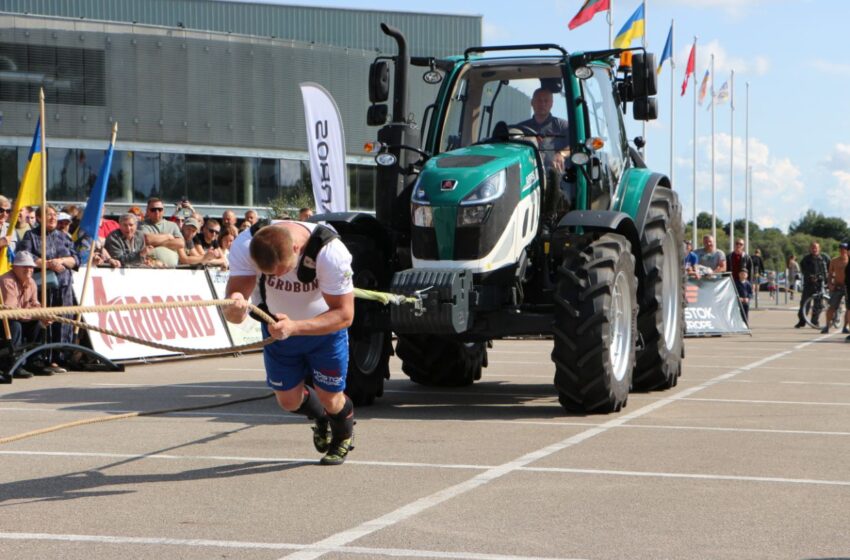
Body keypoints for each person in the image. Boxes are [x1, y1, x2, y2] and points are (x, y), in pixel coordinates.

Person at [224, 219, 356, 465]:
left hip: (323, 332)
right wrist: (235, 307)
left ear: (296, 249)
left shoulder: (330, 252)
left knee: (331, 398)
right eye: (269, 275)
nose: (276, 278)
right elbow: (234, 311)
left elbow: (345, 315)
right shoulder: (244, 244)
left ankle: (342, 436)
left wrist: (295, 327)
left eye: (281, 271)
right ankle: (320, 418)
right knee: (287, 401)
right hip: (278, 332)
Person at [17, 206, 80, 373]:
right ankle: (40, 359)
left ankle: (60, 358)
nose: (52, 218)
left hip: (64, 287)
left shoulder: (64, 236)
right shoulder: (31, 236)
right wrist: (47, 263)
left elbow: (76, 259)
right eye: (48, 215)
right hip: (42, 287)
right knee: (43, 321)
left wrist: (62, 260)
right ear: (38, 218)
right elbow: (25, 255)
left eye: (54, 215)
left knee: (63, 320)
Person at [0, 251, 53, 378]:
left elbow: (35, 305)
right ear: (15, 267)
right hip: (4, 321)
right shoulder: (7, 281)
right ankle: (14, 364)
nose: (29, 269)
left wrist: (43, 315)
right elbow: (11, 311)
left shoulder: (32, 283)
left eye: (31, 266)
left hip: (22, 317)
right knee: (15, 325)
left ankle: (34, 361)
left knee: (39, 324)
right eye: (24, 266)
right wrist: (34, 314)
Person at [516, 87, 570, 172]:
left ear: (551, 104)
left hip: (557, 178)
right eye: (539, 100)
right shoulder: (520, 129)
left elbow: (575, 145)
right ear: (532, 103)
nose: (542, 104)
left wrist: (561, 154)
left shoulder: (562, 126)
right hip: (528, 176)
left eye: (546, 101)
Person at [139, 198, 184, 267]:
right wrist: (168, 237)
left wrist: (155, 243)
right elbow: (147, 239)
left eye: (160, 209)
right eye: (153, 209)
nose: (157, 212)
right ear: (147, 211)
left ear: (163, 211)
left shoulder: (172, 225)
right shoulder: (141, 224)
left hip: (172, 271)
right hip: (149, 269)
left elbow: (181, 243)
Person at [796, 242, 831, 328]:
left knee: (818, 304)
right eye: (812, 247)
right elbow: (804, 270)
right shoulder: (806, 259)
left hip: (820, 284)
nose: (814, 249)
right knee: (804, 303)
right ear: (810, 249)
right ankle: (802, 321)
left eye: (816, 247)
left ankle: (814, 321)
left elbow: (830, 269)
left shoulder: (825, 258)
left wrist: (827, 280)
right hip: (809, 284)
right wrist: (810, 276)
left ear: (819, 248)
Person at [823, 241, 849, 334]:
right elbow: (830, 274)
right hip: (837, 286)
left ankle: (845, 327)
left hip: (847, 287)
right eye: (841, 249)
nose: (843, 251)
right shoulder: (834, 260)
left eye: (845, 249)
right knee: (832, 307)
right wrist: (830, 284)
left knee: (848, 309)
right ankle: (826, 326)